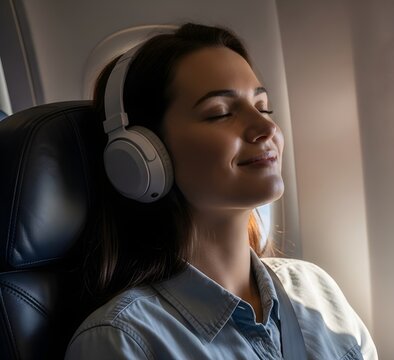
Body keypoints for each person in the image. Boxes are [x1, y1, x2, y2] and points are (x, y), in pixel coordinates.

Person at [65, 23, 377, 360]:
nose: (267, 128)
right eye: (221, 113)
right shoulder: (125, 340)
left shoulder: (316, 290)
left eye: (263, 107)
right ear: (143, 155)